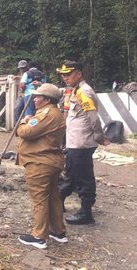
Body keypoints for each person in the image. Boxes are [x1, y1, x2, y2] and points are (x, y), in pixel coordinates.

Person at [15, 83, 68, 249]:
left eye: (38, 97)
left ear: (47, 99)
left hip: (39, 163)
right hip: (49, 162)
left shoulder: (46, 113)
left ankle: (39, 236)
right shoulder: (53, 113)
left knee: (40, 200)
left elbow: (26, 132)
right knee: (53, 197)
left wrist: (23, 122)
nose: (35, 99)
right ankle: (58, 232)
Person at [57, 61, 109, 225]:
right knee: (72, 172)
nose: (65, 77)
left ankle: (86, 213)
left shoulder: (84, 92)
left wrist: (100, 136)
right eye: (63, 75)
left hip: (82, 142)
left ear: (78, 74)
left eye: (68, 74)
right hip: (74, 141)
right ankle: (59, 199)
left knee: (84, 177)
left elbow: (93, 117)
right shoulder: (74, 91)